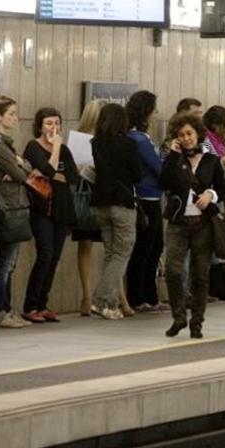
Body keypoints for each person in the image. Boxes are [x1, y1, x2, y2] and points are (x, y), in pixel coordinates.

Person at [159, 113, 225, 338]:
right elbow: (163, 182)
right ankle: (178, 316)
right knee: (173, 270)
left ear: (198, 134)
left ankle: (197, 322)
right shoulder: (174, 159)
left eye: (189, 133)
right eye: (181, 135)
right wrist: (172, 156)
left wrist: (210, 194)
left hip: (202, 223)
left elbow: (223, 189)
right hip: (178, 222)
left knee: (201, 274)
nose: (186, 138)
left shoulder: (211, 161)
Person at [21, 108, 78, 323]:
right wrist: (54, 149)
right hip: (42, 209)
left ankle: (42, 304)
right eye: (48, 123)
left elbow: (72, 176)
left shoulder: (65, 149)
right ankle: (30, 305)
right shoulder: (33, 147)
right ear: (39, 126)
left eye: (56, 123)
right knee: (44, 254)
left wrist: (52, 173)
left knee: (54, 258)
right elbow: (51, 169)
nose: (53, 127)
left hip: (62, 208)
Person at [90, 103, 142, 320]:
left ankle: (106, 303)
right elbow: (137, 174)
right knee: (121, 254)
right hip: (122, 204)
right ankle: (102, 300)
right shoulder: (129, 144)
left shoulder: (96, 143)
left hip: (101, 204)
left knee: (111, 254)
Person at [125, 90, 163, 314]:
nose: (157, 114)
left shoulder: (140, 137)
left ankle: (149, 294)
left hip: (153, 195)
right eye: (154, 109)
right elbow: (156, 166)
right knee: (145, 248)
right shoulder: (138, 139)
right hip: (145, 196)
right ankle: (138, 295)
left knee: (154, 246)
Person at [0, 96, 30, 329]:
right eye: (11, 114)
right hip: (6, 207)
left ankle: (5, 308)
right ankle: (0, 310)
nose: (16, 118)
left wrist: (19, 164)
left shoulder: (4, 143)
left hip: (8, 205)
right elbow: (23, 175)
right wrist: (18, 166)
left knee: (8, 261)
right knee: (5, 262)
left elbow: (24, 167)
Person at [73, 99, 107, 317]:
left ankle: (113, 295)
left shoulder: (111, 141)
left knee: (112, 249)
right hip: (87, 196)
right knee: (86, 244)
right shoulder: (79, 140)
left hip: (104, 196)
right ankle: (87, 296)